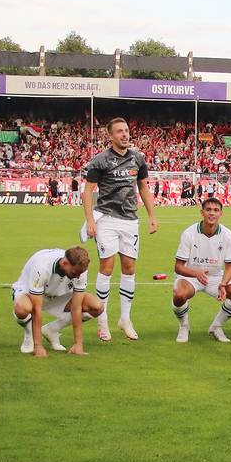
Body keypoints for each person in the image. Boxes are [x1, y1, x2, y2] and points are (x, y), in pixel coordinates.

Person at [82, 117, 157, 341]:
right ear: (111, 136)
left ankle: (125, 318)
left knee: (129, 268)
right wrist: (90, 220)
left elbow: (143, 187)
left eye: (126, 130)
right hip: (106, 218)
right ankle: (102, 321)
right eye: (119, 131)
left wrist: (152, 215)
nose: (125, 134)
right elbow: (87, 191)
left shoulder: (138, 158)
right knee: (106, 267)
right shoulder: (100, 161)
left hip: (130, 220)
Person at [172, 198, 231, 343]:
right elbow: (178, 266)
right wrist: (196, 273)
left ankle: (216, 327)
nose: (212, 213)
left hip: (215, 277)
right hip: (190, 276)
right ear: (202, 212)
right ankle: (184, 326)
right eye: (208, 210)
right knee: (179, 295)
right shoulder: (189, 233)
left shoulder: (227, 235)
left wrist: (223, 284)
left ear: (221, 214)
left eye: (216, 210)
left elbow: (230, 267)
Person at [12, 245, 102, 356]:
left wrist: (78, 344)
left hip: (59, 295)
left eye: (80, 273)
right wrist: (38, 346)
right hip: (30, 294)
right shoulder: (41, 267)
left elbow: (76, 307)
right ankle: (30, 334)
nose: (78, 277)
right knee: (22, 308)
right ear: (64, 263)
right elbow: (37, 309)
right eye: (75, 273)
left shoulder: (79, 269)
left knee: (96, 307)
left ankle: (51, 330)